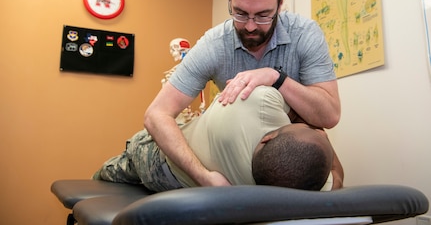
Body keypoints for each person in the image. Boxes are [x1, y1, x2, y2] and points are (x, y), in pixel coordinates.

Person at [143, 0, 341, 187]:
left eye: (263, 15)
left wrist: (276, 78)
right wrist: (204, 177)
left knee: (337, 178)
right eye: (240, 13)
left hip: (284, 156)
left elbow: (329, 115)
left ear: (281, 3)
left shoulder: (304, 34)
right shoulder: (214, 44)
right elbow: (156, 115)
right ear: (229, 1)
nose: (250, 26)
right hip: (221, 154)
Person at [93, 86, 343, 192]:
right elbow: (338, 176)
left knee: (119, 165)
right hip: (183, 186)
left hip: (158, 159)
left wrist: (314, 128)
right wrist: (321, 139)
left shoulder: (259, 101)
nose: (313, 127)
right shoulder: (299, 186)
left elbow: (307, 111)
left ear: (268, 138)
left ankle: (99, 177)